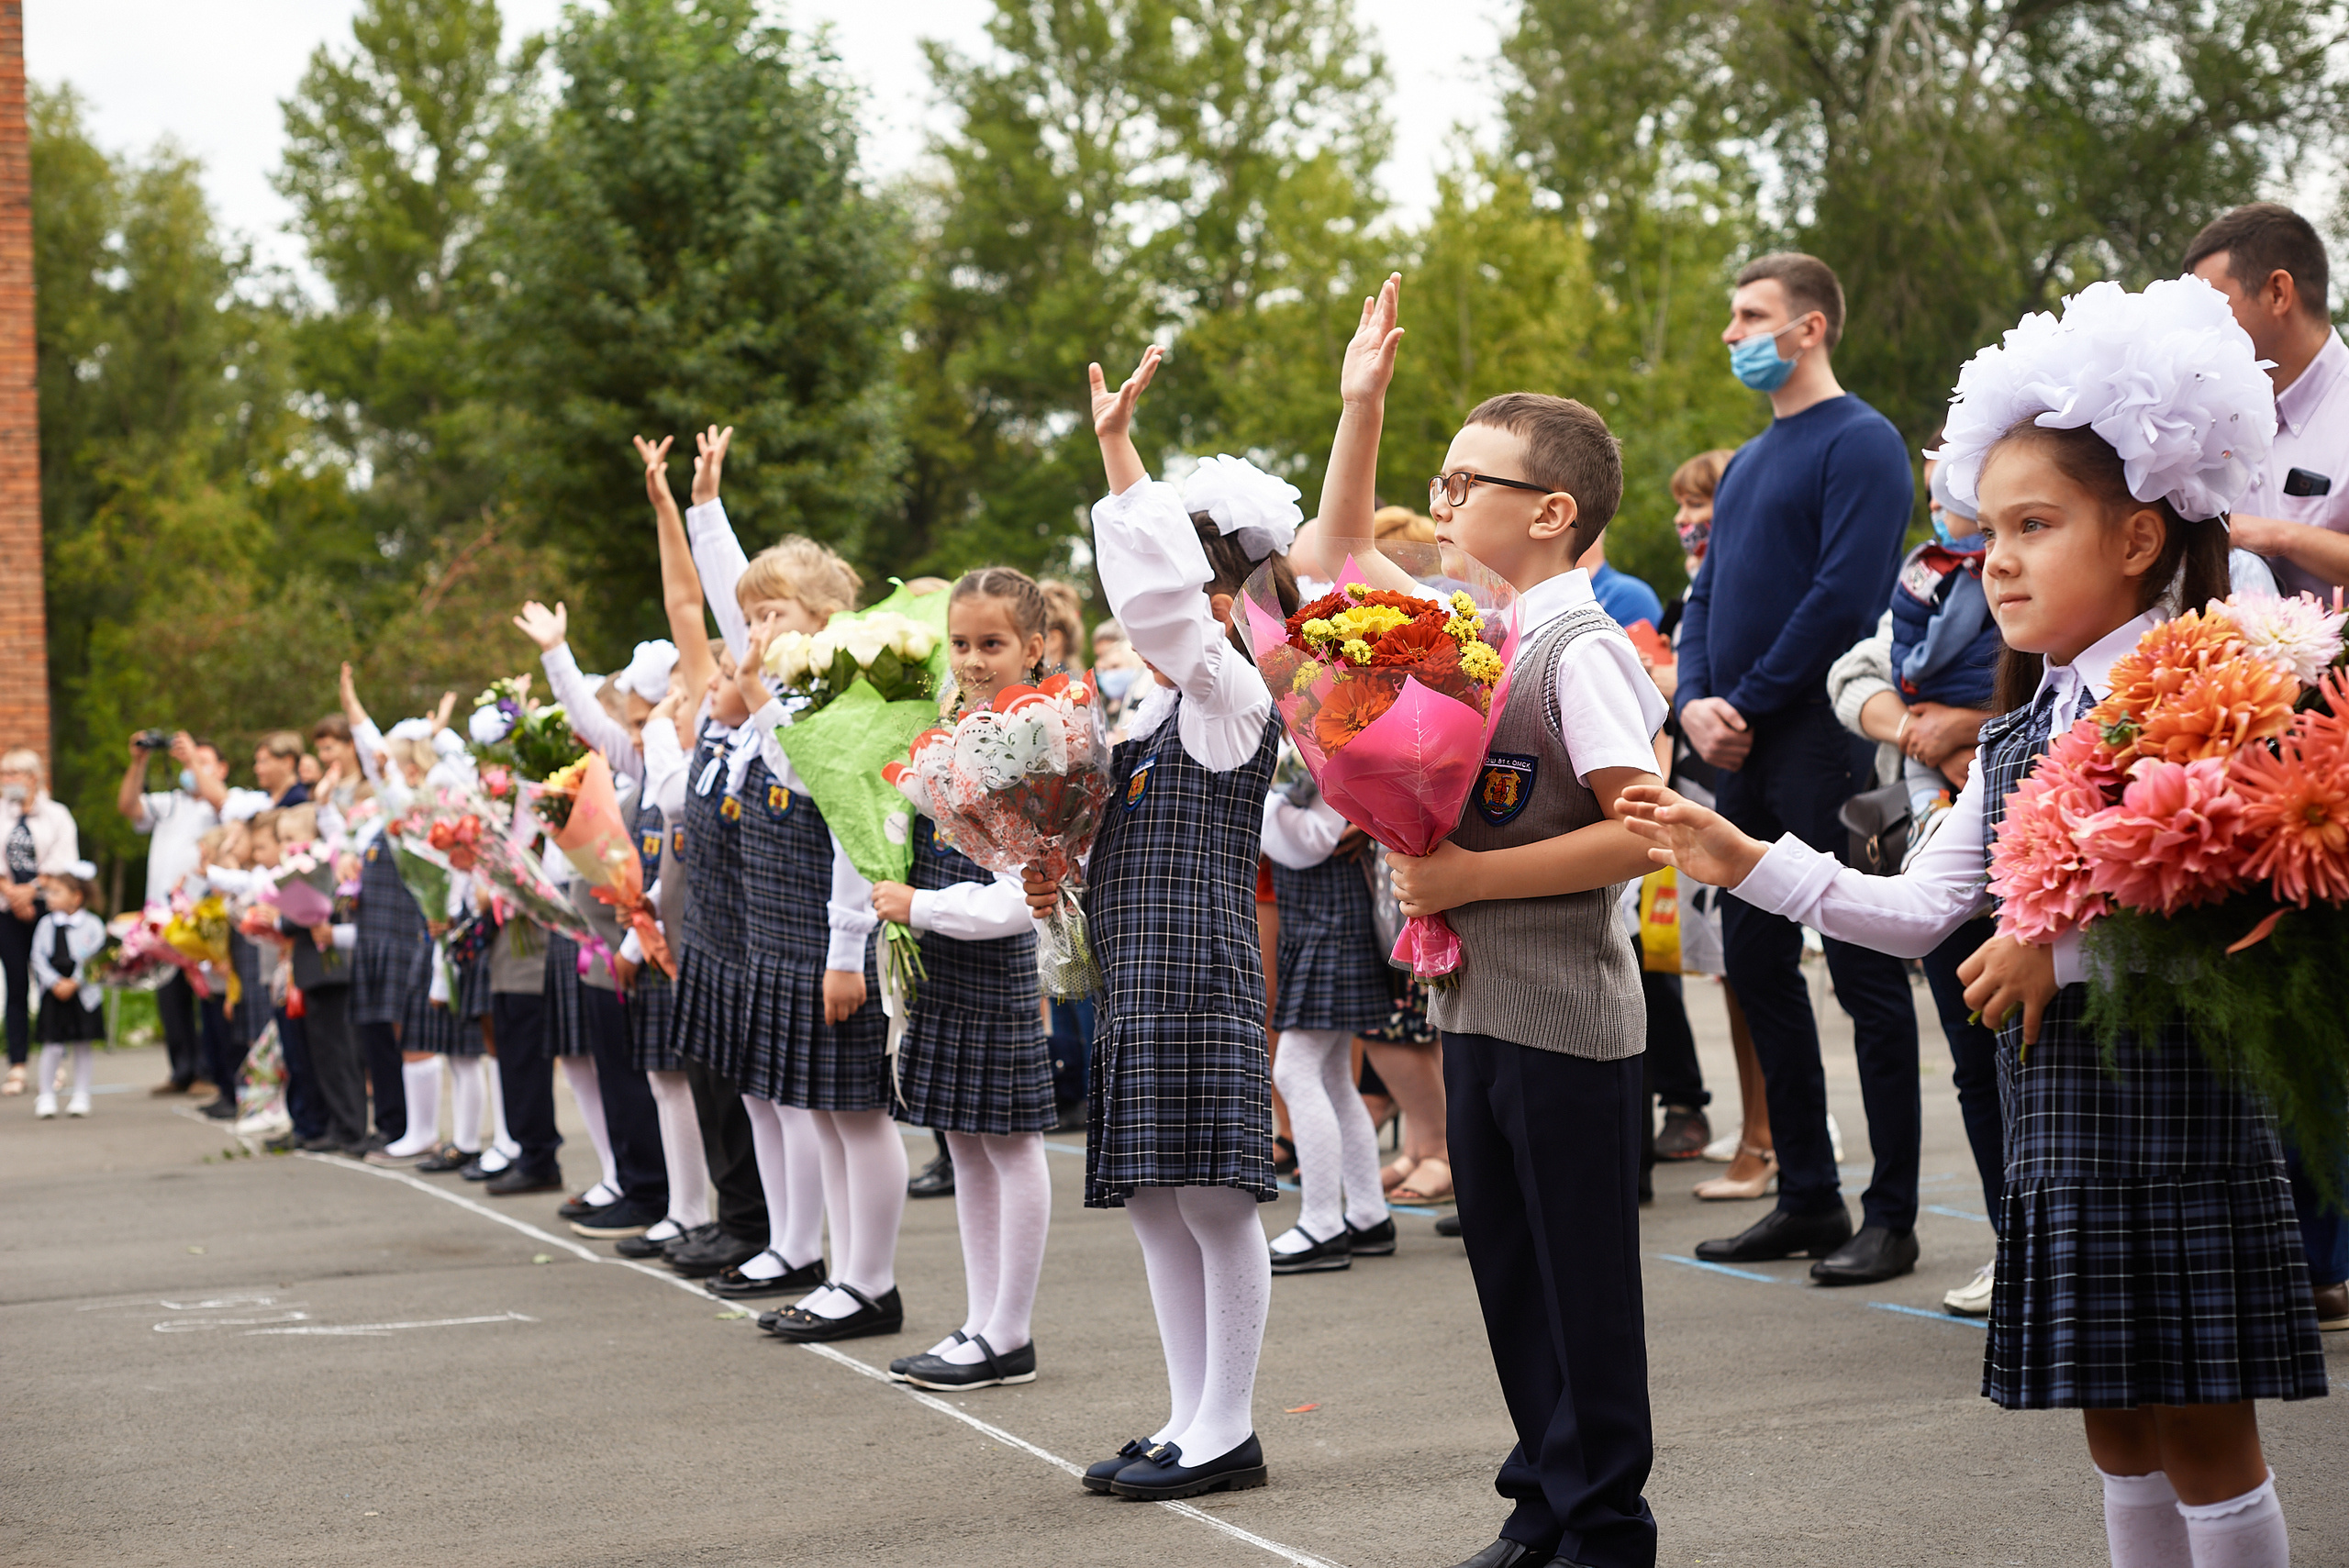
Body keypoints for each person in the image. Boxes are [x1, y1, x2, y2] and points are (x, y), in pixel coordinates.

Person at [1624, 274, 2325, 1568]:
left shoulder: (2215, 683)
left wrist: (2058, 945)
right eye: (1985, 529)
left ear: (2136, 538)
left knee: (2205, 1432)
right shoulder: (2021, 727)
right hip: (2064, 1104)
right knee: (2114, 1426)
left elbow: (2249, 895)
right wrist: (1740, 854)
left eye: (2035, 525)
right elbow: (1914, 912)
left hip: (2173, 1097)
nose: (1995, 560)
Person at [1315, 276, 1663, 1568]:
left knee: (1582, 1288)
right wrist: (1362, 407)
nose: (1446, 504)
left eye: (1471, 484)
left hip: (1569, 1015)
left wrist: (1463, 881)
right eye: (1444, 481)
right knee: (1512, 1277)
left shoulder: (1581, 646)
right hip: (1484, 1008)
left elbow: (1645, 829)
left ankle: (1606, 1523)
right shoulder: (1482, 637)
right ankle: (1546, 1500)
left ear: (1553, 510)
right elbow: (1328, 563)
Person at [1024, 345, 1295, 1504]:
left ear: (1219, 588)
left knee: (1214, 1197)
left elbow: (1163, 607)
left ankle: (1228, 1422)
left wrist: (1117, 451)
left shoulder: (1230, 691)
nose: (1155, 599)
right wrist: (1050, 869)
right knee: (1153, 1196)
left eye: (1187, 565)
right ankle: (1188, 1414)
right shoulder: (1144, 710)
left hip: (1196, 971)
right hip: (1138, 969)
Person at [1675, 251, 1925, 1285]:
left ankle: (1892, 1212)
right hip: (1738, 744)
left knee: (1864, 967)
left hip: (1820, 735)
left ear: (1809, 326)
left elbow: (1842, 594)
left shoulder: (1860, 441)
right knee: (1756, 962)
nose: (1732, 334)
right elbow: (1704, 597)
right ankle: (1808, 1193)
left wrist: (1749, 696)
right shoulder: (1746, 464)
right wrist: (1693, 702)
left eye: (1750, 316)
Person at [684, 429, 900, 1336]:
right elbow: (736, 614)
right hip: (782, 933)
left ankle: (872, 1281)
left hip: (830, 934)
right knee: (820, 1111)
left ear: (818, 618)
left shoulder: (841, 695)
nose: (755, 634)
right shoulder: (791, 695)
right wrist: (705, 509)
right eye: (754, 619)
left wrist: (847, 948)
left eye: (774, 618)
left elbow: (857, 832)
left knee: (856, 1114)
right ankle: (840, 1272)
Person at [1827, 450, 2005, 1315]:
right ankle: (2018, 1244)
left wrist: (1974, 723)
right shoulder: (1926, 581)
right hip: (1940, 829)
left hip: (2028, 844)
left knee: (2036, 1058)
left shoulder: (2030, 576)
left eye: (1953, 480)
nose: (1938, 496)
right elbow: (1853, 674)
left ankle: (2063, 1246)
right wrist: (1915, 729)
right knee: (1974, 1062)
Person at [877, 567, 1060, 1390]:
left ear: (1035, 645)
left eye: (992, 644)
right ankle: (980, 1320)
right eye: (960, 644)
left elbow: (1021, 895)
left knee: (1011, 1143)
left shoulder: (1041, 733)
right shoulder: (953, 720)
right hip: (944, 964)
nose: (974, 659)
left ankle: (1009, 1331)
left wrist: (920, 907)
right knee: (963, 1141)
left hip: (989, 958)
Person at [1260, 755, 1396, 1273]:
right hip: (1318, 922)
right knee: (1334, 1077)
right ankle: (1366, 1214)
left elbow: (1318, 837)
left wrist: (1257, 804)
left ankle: (1323, 1223)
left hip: (1329, 924)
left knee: (1295, 1070)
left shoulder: (1325, 723)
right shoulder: (1315, 721)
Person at [2185, 202, 2349, 597]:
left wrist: (2279, 536)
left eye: (2214, 307)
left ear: (2278, 292)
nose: (2197, 329)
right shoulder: (2193, 416)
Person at [2, 748, 78, 1096]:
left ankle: (54, 1061)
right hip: (8, 911)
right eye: (3, 774)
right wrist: (13, 895)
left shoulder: (57, 815)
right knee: (17, 986)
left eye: (12, 774)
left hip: (48, 910)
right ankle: (17, 1063)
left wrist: (31, 892)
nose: (6, 781)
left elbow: (63, 862)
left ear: (32, 777)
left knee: (51, 983)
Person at [28, 861, 105, 1119]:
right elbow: (37, 957)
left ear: (76, 896)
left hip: (82, 995)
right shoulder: (46, 925)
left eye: (56, 892)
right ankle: (46, 1094)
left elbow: (97, 958)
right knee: (52, 1044)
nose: (49, 897)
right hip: (55, 993)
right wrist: (54, 982)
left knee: (83, 1043)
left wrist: (76, 981)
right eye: (48, 892)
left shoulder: (93, 925)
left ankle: (82, 1094)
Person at [250, 731, 313, 811]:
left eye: (263, 761)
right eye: (257, 762)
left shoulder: (299, 802)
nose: (256, 768)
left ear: (288, 762)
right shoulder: (263, 799)